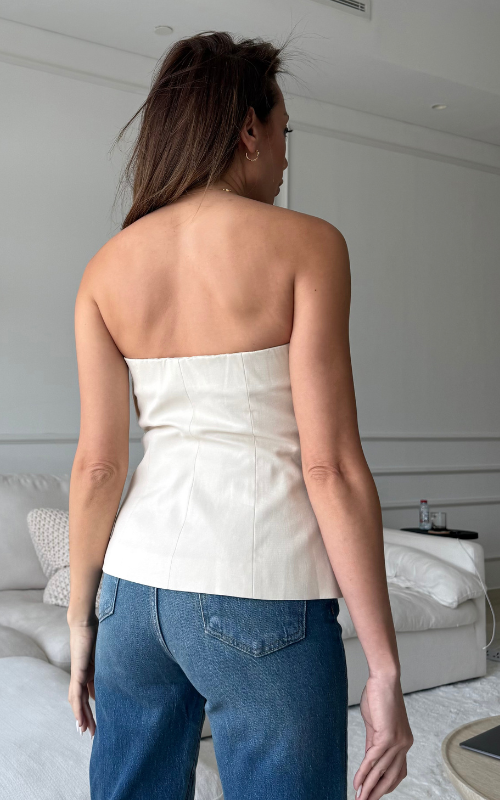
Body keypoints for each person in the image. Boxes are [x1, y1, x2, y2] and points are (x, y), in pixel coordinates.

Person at [67, 30, 413, 800]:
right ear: (249, 129)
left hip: (132, 596)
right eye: (284, 131)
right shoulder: (309, 246)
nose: (285, 156)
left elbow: (98, 467)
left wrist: (82, 619)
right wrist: (385, 669)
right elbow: (330, 466)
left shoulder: (106, 267)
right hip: (261, 591)